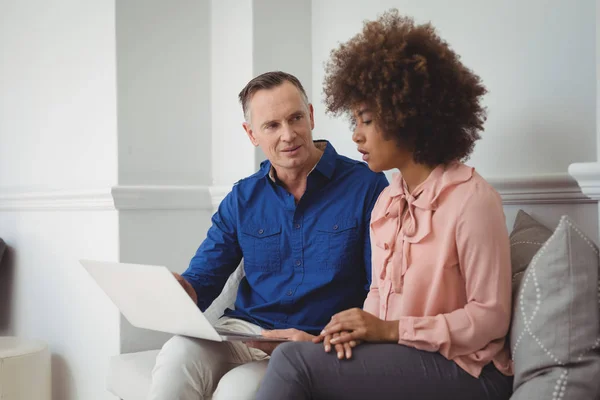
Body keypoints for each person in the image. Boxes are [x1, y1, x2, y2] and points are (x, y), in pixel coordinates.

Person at [256, 10, 514, 400]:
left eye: (367, 121)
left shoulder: (472, 200)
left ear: (406, 117)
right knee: (297, 354)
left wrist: (392, 331)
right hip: (404, 355)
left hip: (470, 369)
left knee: (292, 364)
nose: (355, 135)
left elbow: (490, 318)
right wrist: (332, 338)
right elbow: (376, 307)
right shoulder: (388, 201)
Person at [147, 71, 388, 400]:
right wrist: (181, 290)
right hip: (247, 331)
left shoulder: (366, 186)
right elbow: (203, 278)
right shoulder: (243, 198)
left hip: (313, 340)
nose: (288, 135)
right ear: (252, 134)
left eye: (295, 118)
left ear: (311, 116)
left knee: (238, 391)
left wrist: (333, 340)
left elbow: (378, 289)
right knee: (177, 353)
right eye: (272, 125)